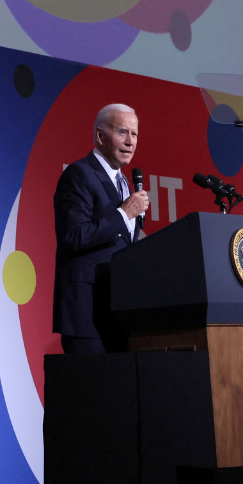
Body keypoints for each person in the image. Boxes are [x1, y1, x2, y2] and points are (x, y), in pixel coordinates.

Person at [52, 104, 150, 353]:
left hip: (118, 312)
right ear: (100, 136)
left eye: (135, 134)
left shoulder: (124, 182)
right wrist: (124, 213)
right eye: (122, 132)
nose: (130, 141)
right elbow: (73, 236)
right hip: (87, 315)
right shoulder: (79, 174)